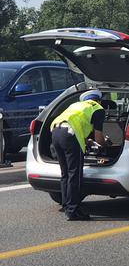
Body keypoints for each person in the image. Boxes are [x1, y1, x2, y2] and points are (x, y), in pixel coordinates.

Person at [50, 90, 111, 221]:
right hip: (70, 135)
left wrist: (86, 140)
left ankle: (67, 205)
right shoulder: (97, 108)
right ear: (98, 100)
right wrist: (106, 144)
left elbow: (79, 125)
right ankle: (73, 210)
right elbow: (99, 137)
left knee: (65, 173)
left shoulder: (76, 106)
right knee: (75, 174)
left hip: (55, 132)